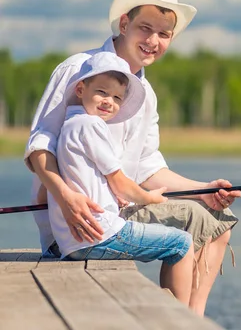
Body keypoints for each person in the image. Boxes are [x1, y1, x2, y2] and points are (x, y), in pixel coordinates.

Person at [24, 0, 241, 316]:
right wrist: (65, 197)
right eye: (145, 28)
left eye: (164, 34)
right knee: (193, 229)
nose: (153, 41)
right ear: (124, 23)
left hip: (118, 211)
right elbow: (40, 146)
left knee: (217, 215)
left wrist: (204, 190)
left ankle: (193, 318)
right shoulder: (77, 70)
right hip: (75, 224)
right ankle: (181, 320)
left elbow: (148, 168)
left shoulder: (145, 95)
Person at [52, 51, 195, 306]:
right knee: (181, 243)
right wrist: (150, 198)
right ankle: (182, 318)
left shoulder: (70, 124)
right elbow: (119, 181)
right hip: (100, 235)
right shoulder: (91, 125)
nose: (109, 101)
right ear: (81, 88)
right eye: (102, 92)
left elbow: (93, 181)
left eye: (117, 97)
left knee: (174, 240)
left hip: (71, 242)